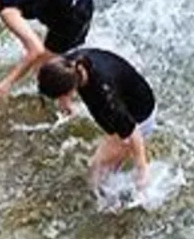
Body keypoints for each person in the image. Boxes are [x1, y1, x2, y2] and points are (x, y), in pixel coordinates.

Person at [37, 47, 156, 190]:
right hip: (125, 95)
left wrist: (142, 169)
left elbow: (132, 131)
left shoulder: (103, 95)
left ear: (68, 90)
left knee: (97, 169)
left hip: (139, 114)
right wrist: (65, 102)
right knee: (101, 169)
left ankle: (116, 203)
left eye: (60, 97)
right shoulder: (68, 65)